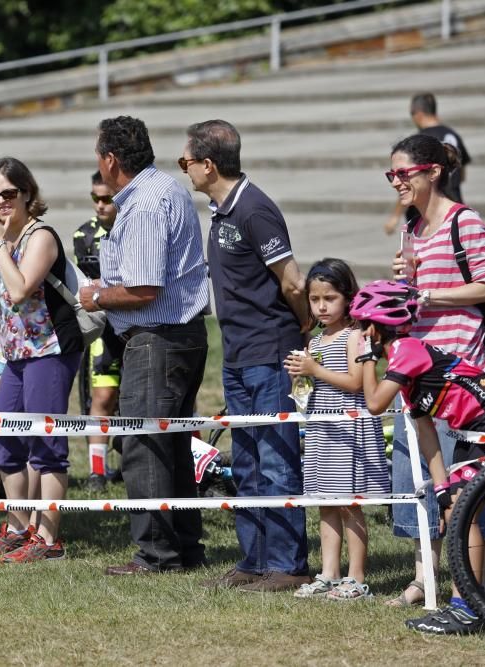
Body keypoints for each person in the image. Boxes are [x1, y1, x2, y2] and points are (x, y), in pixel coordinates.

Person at [179, 119, 310, 590]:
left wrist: (304, 325)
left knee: (275, 459)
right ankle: (253, 561)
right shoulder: (222, 212)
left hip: (270, 353)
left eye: (185, 161)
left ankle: (288, 565)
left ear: (208, 164)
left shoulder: (255, 209)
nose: (184, 170)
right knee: (248, 461)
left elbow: (293, 281)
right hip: (236, 356)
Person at [78, 116, 209, 576]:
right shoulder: (161, 190)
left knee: (144, 444)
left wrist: (95, 296)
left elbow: (144, 288)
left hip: (159, 337)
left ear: (110, 159)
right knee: (169, 446)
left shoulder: (147, 203)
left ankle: (156, 554)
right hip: (174, 335)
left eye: (98, 154)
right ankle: (184, 549)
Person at [384, 132, 485, 607]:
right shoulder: (413, 229)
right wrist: (402, 289)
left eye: (403, 173)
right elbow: (415, 299)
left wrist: (428, 294)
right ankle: (424, 579)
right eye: (390, 174)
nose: (396, 182)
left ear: (432, 172)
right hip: (418, 369)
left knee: (468, 487)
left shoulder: (465, 222)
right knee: (419, 479)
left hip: (462, 374)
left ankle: (475, 590)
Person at [352, 280, 485, 634]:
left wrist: (366, 357)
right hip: (470, 430)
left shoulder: (407, 351)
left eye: (359, 328)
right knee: (456, 507)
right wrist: (442, 487)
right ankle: (471, 605)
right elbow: (426, 432)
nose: (356, 334)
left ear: (372, 329)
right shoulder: (409, 373)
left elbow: (373, 404)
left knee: (466, 511)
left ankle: (467, 608)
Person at [0, 157, 82, 564]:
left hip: (50, 349)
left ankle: (49, 539)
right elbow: (2, 294)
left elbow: (20, 291)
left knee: (46, 442)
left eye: (9, 193)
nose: (1, 202)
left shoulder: (40, 236)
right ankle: (19, 527)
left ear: (27, 194)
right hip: (17, 352)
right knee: (2, 439)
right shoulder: (4, 241)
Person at [283, 258, 390, 601]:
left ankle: (356, 578)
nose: (322, 306)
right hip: (321, 427)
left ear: (347, 297)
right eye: (315, 300)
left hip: (348, 425)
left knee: (349, 504)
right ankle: (329, 574)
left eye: (329, 298)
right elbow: (314, 382)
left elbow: (356, 382)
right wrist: (300, 377)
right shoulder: (315, 340)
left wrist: (314, 369)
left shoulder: (354, 335)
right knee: (325, 503)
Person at [73, 170, 123, 493]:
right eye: (96, 199)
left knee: (132, 399)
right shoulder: (83, 235)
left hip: (133, 323)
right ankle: (96, 471)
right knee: (102, 397)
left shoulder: (133, 229)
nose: (101, 205)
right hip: (102, 328)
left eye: (107, 199)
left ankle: (130, 461)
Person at [384, 92, 472, 235]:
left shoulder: (420, 142)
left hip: (427, 214)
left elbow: (409, 183)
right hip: (454, 204)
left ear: (417, 114)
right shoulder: (453, 134)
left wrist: (395, 216)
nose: (396, 182)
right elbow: (461, 174)